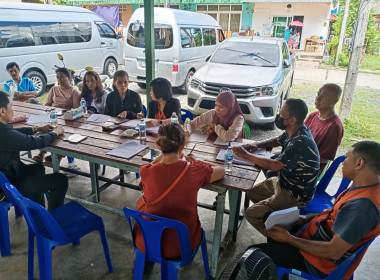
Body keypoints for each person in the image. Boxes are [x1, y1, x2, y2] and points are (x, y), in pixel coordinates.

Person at [252, 141, 380, 280]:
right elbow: (334, 214)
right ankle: (277, 257)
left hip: (320, 262)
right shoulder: (364, 187)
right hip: (316, 234)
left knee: (254, 254)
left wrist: (290, 239)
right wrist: (307, 219)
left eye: (347, 157)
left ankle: (273, 260)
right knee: (270, 218)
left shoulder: (362, 208)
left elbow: (334, 251)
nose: (343, 163)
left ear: (359, 163)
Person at [134, 123, 225, 259]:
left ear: (158, 146)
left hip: (147, 243)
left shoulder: (146, 171)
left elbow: (150, 166)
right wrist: (196, 161)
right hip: (182, 246)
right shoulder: (195, 170)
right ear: (184, 145)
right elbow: (221, 170)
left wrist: (162, 154)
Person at [233, 99, 319, 236]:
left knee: (251, 214)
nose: (278, 117)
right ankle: (278, 218)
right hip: (283, 182)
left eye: (281, 115)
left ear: (292, 120)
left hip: (294, 194)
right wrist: (256, 145)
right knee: (251, 193)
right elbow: (278, 140)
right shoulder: (295, 130)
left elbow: (274, 165)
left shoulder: (300, 142)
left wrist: (245, 154)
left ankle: (280, 239)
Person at [0, 91, 68, 211]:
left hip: (7, 177)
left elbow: (14, 134)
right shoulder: (4, 134)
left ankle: (37, 210)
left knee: (38, 168)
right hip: (7, 188)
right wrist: (55, 132)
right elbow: (37, 142)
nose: (13, 110)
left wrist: (35, 129)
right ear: (2, 111)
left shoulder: (4, 131)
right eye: (11, 106)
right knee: (61, 180)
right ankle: (54, 221)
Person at [33, 68, 81, 164]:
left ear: (69, 77)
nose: (60, 80)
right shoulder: (54, 89)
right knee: (45, 129)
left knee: (61, 132)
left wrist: (65, 114)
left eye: (62, 77)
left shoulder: (74, 92)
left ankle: (57, 155)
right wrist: (48, 112)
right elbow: (48, 104)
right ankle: (42, 153)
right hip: (53, 116)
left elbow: (76, 110)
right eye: (58, 78)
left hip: (66, 119)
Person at [305, 83, 344, 173]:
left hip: (311, 168)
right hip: (297, 158)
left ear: (334, 101)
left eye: (323, 97)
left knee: (272, 171)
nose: (317, 99)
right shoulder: (313, 116)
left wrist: (298, 157)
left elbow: (324, 159)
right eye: (318, 95)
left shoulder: (334, 127)